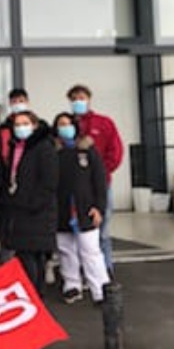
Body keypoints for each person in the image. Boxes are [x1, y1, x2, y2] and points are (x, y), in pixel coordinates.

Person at [0, 110, 58, 295]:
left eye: (25, 123)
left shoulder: (44, 147)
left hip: (36, 211)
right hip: (17, 210)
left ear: (34, 125)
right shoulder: (16, 146)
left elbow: (49, 182)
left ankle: (35, 293)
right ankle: (33, 292)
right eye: (17, 124)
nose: (20, 128)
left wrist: (33, 203)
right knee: (25, 255)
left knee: (34, 256)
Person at [52, 113, 109, 304]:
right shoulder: (53, 152)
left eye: (68, 124)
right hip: (61, 209)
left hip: (85, 209)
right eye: (61, 124)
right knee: (66, 250)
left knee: (90, 251)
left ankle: (100, 290)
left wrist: (99, 207)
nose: (65, 128)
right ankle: (72, 285)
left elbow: (100, 182)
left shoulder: (88, 150)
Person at [67, 84, 123, 275]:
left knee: (102, 229)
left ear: (89, 99)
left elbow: (116, 152)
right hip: (75, 187)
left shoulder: (104, 123)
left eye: (81, 98)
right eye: (74, 99)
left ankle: (106, 269)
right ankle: (81, 269)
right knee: (77, 229)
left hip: (101, 184)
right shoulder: (67, 125)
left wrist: (100, 172)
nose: (78, 102)